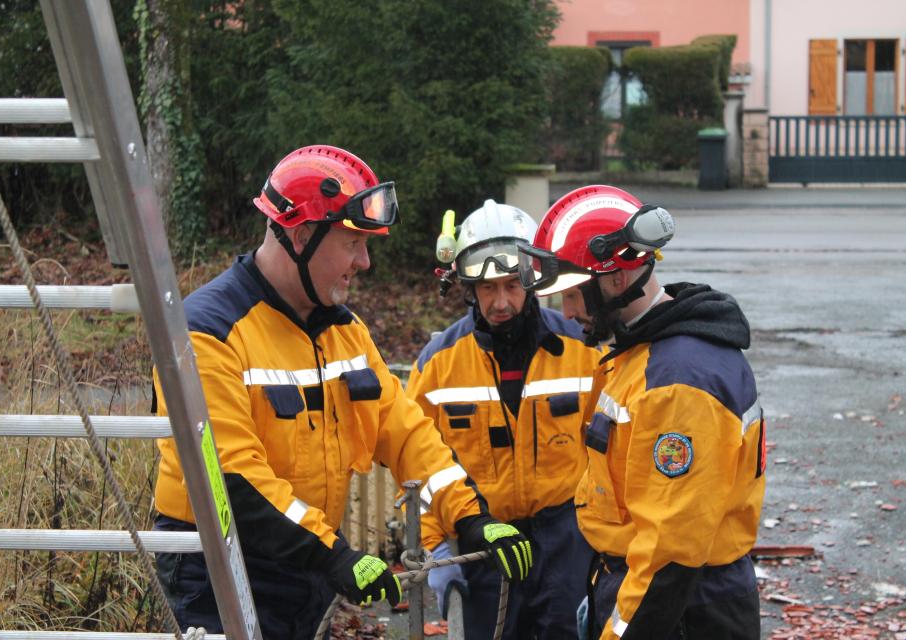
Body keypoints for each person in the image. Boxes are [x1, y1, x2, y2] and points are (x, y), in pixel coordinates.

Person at [150, 145, 532, 638]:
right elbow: (229, 478)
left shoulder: (343, 331)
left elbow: (406, 433)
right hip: (217, 571)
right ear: (301, 236)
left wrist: (470, 516)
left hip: (305, 568)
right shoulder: (207, 333)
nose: (365, 262)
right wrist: (332, 555)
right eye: (353, 243)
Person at [518, 185, 765, 640]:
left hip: (681, 612)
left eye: (573, 295)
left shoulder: (676, 381)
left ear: (615, 279)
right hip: (650, 592)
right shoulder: (643, 353)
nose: (567, 313)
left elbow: (670, 555)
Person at [405, 199, 601, 639]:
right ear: (467, 288)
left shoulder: (584, 351)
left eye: (513, 285)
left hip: (567, 541)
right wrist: (436, 548)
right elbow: (417, 462)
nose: (501, 302)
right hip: (482, 542)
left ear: (533, 281)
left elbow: (613, 452)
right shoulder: (438, 364)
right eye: (488, 288)